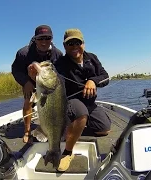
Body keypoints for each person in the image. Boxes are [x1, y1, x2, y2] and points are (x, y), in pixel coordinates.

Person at [54, 28, 111, 171]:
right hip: (71, 102)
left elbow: (105, 76)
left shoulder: (92, 58)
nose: (74, 47)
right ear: (64, 46)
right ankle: (67, 152)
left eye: (77, 42)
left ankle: (72, 129)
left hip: (90, 102)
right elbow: (55, 81)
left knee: (104, 130)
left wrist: (93, 80)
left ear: (83, 44)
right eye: (70, 44)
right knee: (81, 113)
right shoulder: (60, 63)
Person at [11, 25, 63, 143]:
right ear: (35, 39)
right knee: (28, 102)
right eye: (40, 39)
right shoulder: (23, 53)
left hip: (49, 84)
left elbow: (60, 74)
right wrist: (25, 82)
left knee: (55, 105)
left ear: (52, 39)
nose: (44, 42)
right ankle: (27, 131)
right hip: (29, 82)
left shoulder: (58, 54)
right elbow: (15, 70)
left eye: (47, 38)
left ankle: (52, 128)